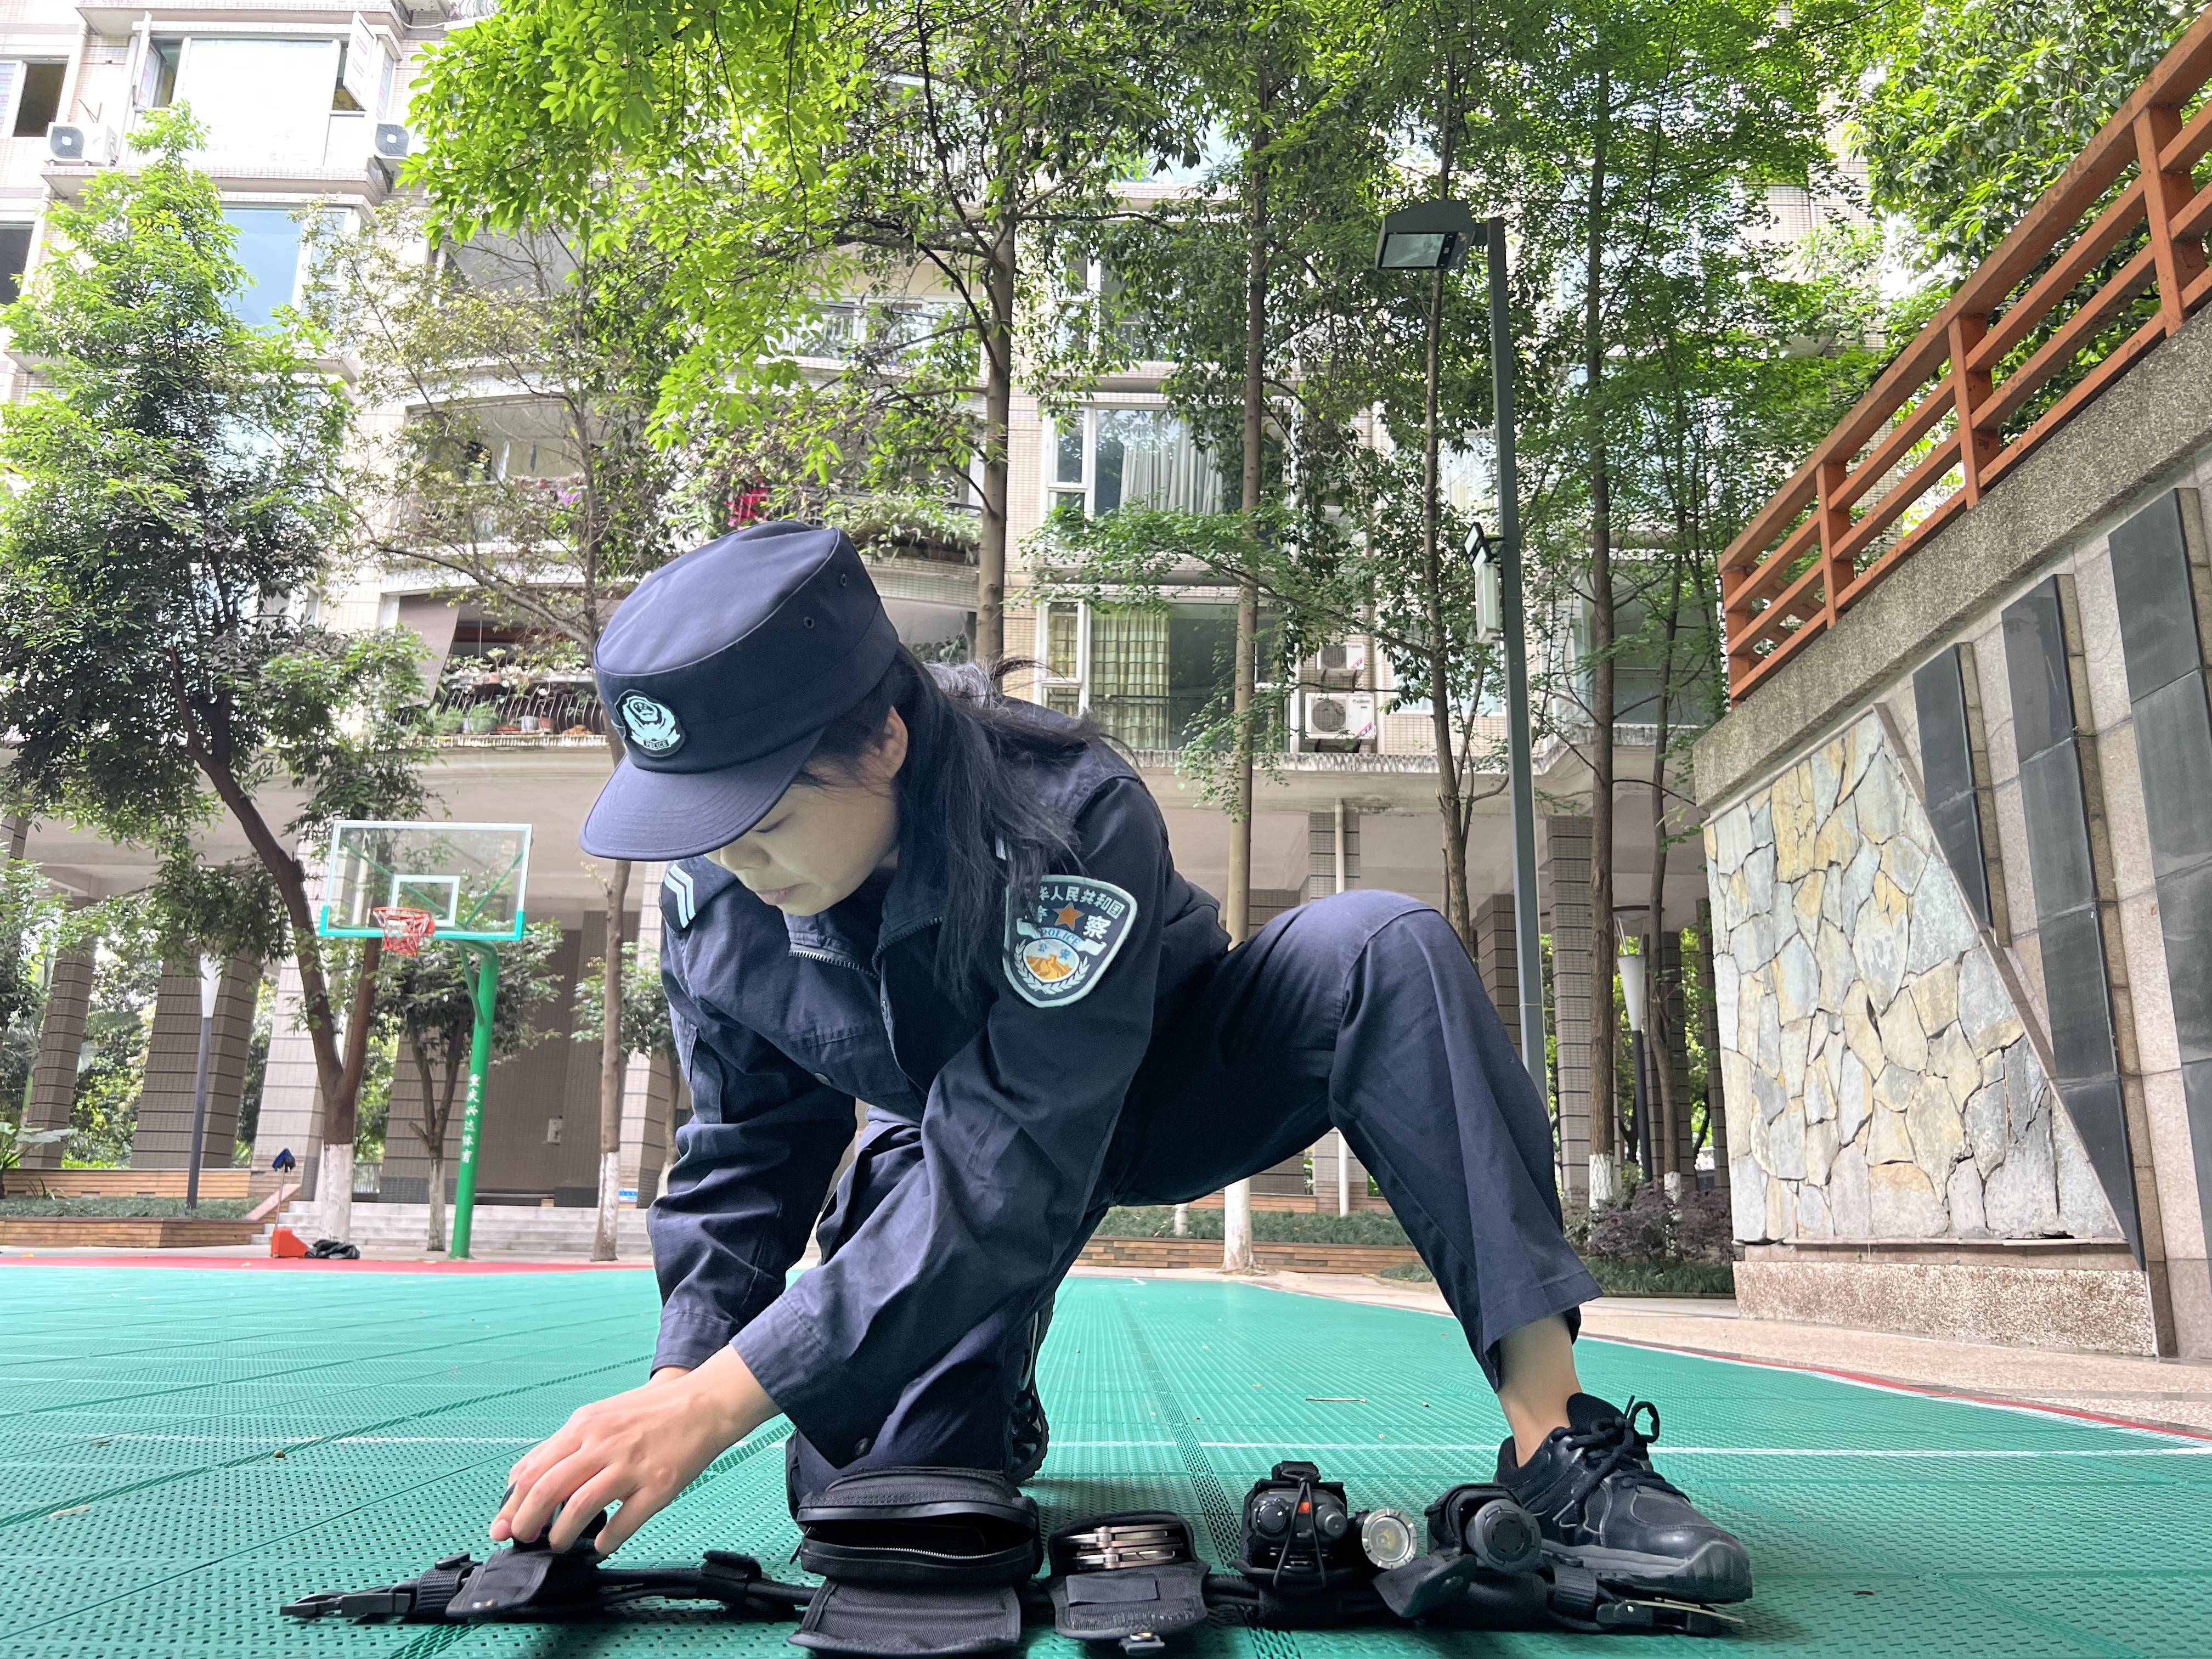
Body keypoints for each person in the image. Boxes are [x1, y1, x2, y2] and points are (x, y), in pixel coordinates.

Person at [491, 522, 1751, 1606]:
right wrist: (675, 1387)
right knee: (881, 1492)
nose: (736, 865)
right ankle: (987, 1392)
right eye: (703, 831)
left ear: (881, 741)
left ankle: (1557, 1441)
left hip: (1166, 1084)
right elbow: (743, 1158)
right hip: (941, 1133)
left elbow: (1018, 1162)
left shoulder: (1063, 818)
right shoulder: (713, 898)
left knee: (1383, 944)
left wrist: (723, 1398)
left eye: (762, 822)